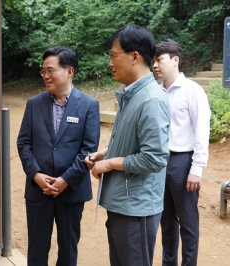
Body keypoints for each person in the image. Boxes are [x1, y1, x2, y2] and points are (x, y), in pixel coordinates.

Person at [85, 25, 171, 266]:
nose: (110, 63)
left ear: (135, 56)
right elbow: (132, 143)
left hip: (137, 207)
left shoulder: (151, 99)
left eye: (114, 56)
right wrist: (104, 154)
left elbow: (154, 158)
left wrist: (109, 164)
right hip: (124, 202)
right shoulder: (132, 94)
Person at [17, 46, 100, 266]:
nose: (46, 76)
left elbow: (88, 149)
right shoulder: (34, 104)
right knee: (36, 250)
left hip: (71, 191)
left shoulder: (89, 105)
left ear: (69, 71)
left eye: (50, 70)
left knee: (68, 251)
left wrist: (65, 180)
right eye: (43, 71)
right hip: (38, 190)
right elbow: (23, 143)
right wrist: (36, 175)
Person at [153, 39, 211, 266]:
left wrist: (196, 169)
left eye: (159, 59)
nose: (155, 65)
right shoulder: (157, 93)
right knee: (166, 220)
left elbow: (201, 132)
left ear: (175, 60)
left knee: (187, 222)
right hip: (159, 163)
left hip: (183, 162)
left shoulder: (193, 91)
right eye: (154, 61)